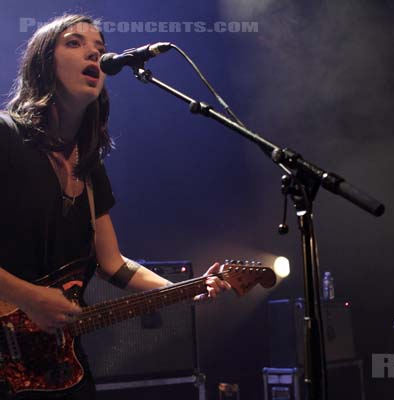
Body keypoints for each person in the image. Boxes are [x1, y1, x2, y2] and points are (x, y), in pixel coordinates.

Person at [0, 14, 230, 399]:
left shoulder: (89, 168)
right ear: (42, 63)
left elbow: (114, 264)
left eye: (101, 49)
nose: (94, 52)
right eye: (74, 43)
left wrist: (184, 290)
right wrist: (27, 296)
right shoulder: (6, 138)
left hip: (58, 368)